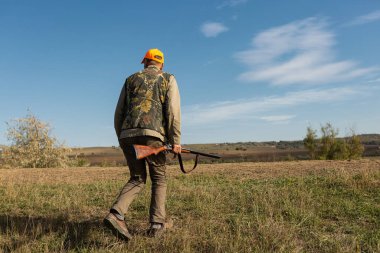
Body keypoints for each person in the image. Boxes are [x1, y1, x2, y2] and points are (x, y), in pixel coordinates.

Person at [104, 48, 181, 240]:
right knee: (159, 178)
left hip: (126, 134)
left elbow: (118, 113)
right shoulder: (168, 78)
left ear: (145, 62)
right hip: (153, 136)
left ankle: (116, 214)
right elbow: (173, 111)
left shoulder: (130, 79)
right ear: (161, 64)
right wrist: (176, 141)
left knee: (137, 178)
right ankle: (156, 225)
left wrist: (122, 138)